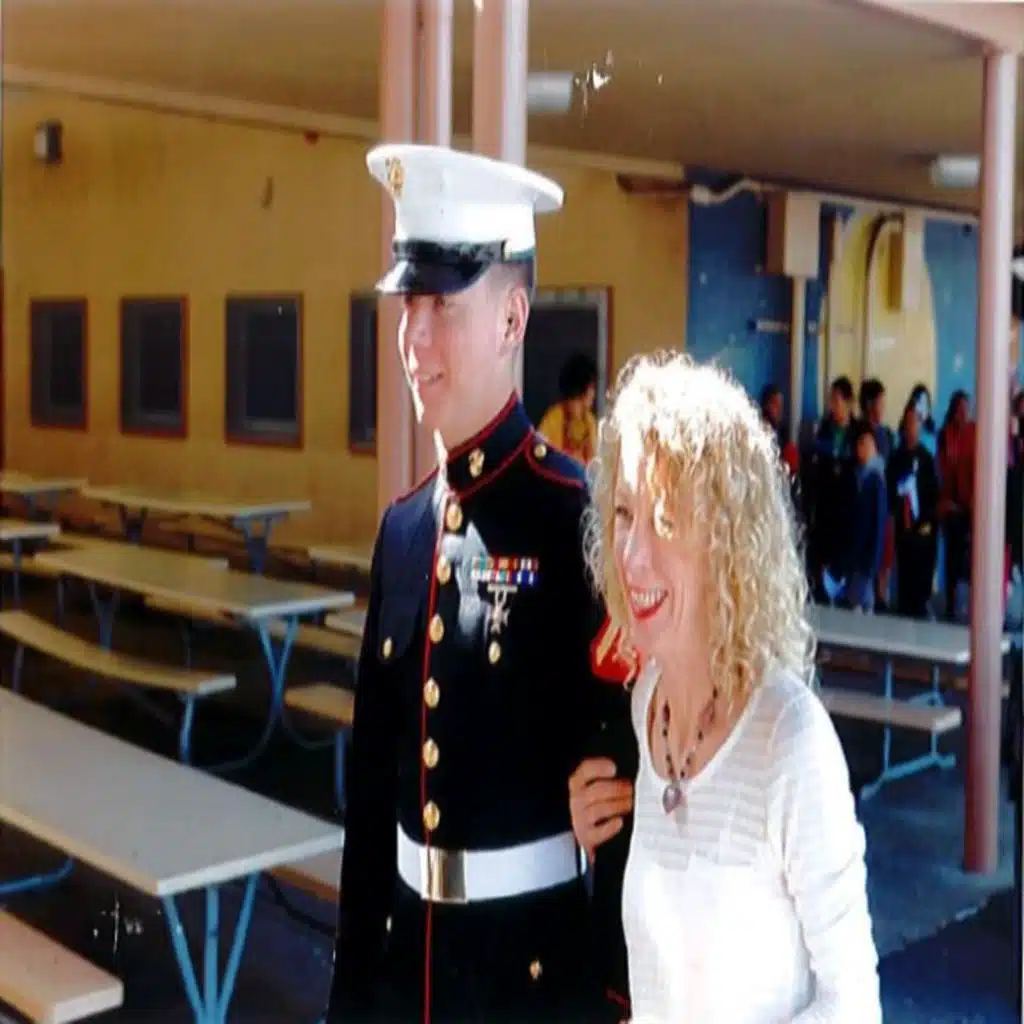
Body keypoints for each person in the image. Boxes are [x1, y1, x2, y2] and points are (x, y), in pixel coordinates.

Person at [326, 143, 636, 1023]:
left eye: (442, 305)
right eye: (407, 304)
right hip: (404, 976)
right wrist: (351, 1000)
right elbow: (371, 798)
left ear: (511, 319)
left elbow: (623, 793)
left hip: (530, 983)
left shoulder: (579, 520)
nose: (413, 338)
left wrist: (619, 997)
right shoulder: (403, 531)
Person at [576, 351, 880, 1021]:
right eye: (624, 514)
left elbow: (854, 1003)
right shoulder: (645, 708)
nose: (632, 556)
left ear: (726, 542)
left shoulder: (790, 738)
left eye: (665, 521)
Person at [888, 402, 939, 619]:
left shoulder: (926, 458)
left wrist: (927, 520)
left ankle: (921, 606)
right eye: (908, 422)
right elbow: (891, 491)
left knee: (921, 572)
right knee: (904, 573)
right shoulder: (896, 458)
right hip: (902, 527)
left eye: (915, 422)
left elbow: (932, 493)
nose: (911, 427)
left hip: (923, 527)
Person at [937, 390, 974, 621]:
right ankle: (951, 605)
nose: (963, 413)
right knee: (951, 557)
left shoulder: (974, 432)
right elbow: (942, 469)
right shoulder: (945, 434)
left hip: (970, 505)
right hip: (951, 505)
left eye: (966, 409)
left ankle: (969, 605)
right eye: (959, 409)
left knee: (969, 559)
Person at [539, 352, 599, 465]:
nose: (594, 393)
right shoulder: (553, 419)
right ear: (582, 388)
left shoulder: (590, 421)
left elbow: (594, 462)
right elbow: (539, 454)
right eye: (592, 387)